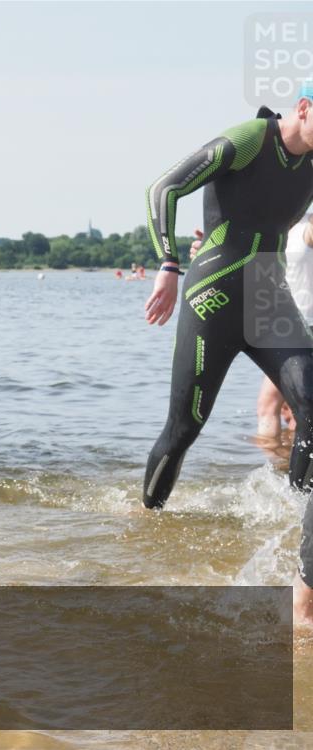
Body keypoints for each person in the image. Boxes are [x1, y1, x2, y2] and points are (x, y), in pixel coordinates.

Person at [141, 86, 313, 626]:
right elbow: (164, 187)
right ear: (305, 109)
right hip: (212, 295)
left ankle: (296, 516)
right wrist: (168, 264)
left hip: (269, 297)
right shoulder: (248, 139)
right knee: (184, 428)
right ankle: (149, 520)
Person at [256, 213, 313, 439]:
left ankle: (281, 472)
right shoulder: (271, 228)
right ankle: (286, 469)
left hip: (304, 329)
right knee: (288, 411)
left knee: (269, 406)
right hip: (283, 330)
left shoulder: (306, 227)